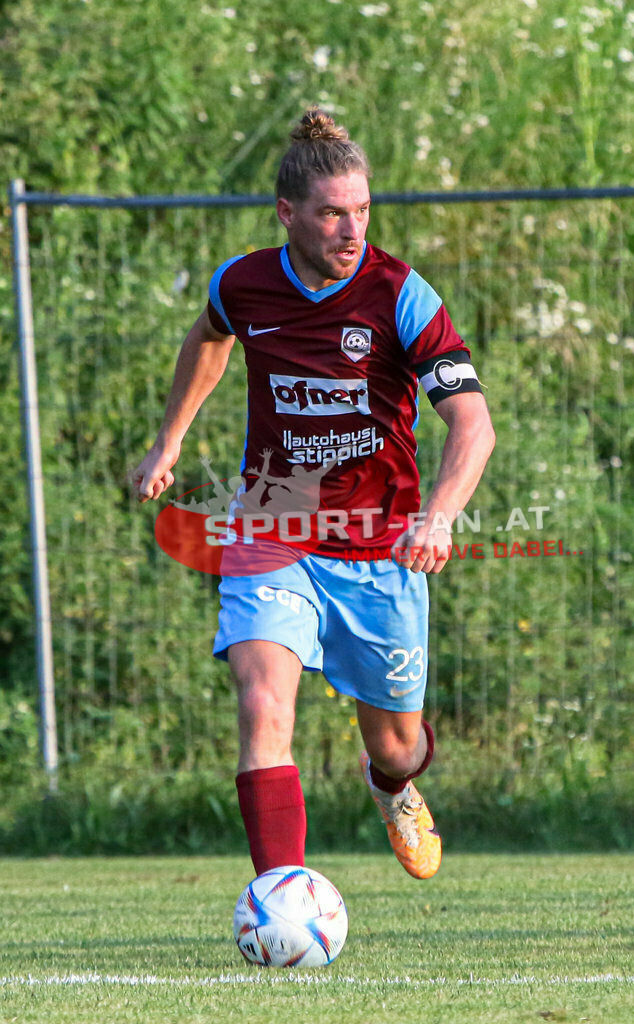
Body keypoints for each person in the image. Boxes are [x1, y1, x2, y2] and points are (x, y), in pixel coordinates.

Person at [132, 108, 495, 881]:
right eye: (332, 213)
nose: (350, 229)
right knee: (264, 708)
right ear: (287, 213)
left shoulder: (400, 294)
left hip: (380, 542)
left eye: (362, 211)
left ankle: (390, 785)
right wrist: (171, 440)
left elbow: (473, 423)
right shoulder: (244, 283)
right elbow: (208, 337)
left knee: (397, 745)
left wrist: (438, 517)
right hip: (273, 527)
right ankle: (277, 897)